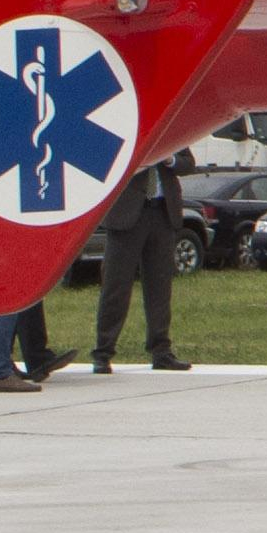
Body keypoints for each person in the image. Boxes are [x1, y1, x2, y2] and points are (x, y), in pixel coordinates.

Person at [88, 150, 192, 374]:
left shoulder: (169, 128)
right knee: (115, 287)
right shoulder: (127, 126)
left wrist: (170, 158)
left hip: (162, 214)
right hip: (126, 215)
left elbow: (188, 164)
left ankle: (161, 351)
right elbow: (104, 163)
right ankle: (103, 352)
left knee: (160, 287)